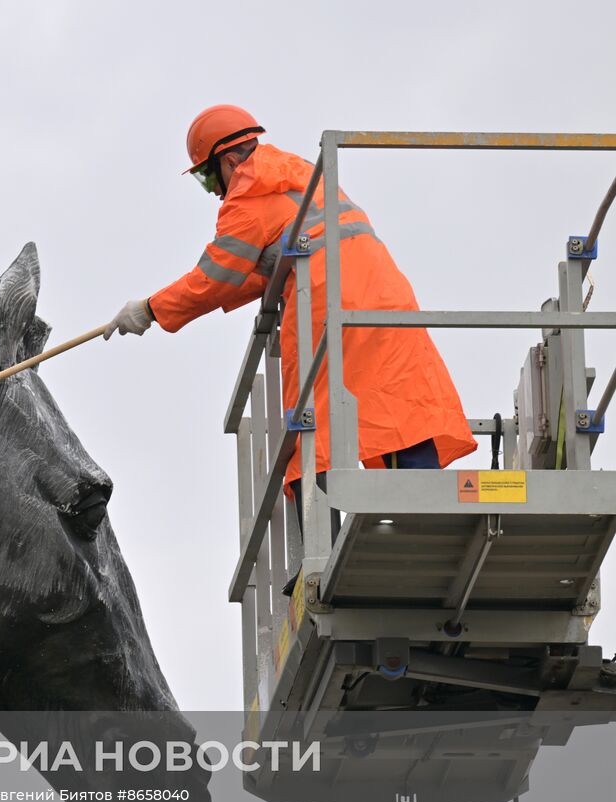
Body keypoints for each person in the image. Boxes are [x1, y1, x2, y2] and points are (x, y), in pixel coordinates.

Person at [104, 105, 475, 516]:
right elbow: (264, 266)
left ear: (229, 160)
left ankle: (322, 543)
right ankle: (424, 504)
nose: (213, 190)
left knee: (312, 422)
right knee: (397, 402)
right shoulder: (298, 176)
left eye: (208, 176)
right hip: (384, 297)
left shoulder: (250, 195)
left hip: (325, 302)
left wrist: (151, 309)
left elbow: (214, 277)